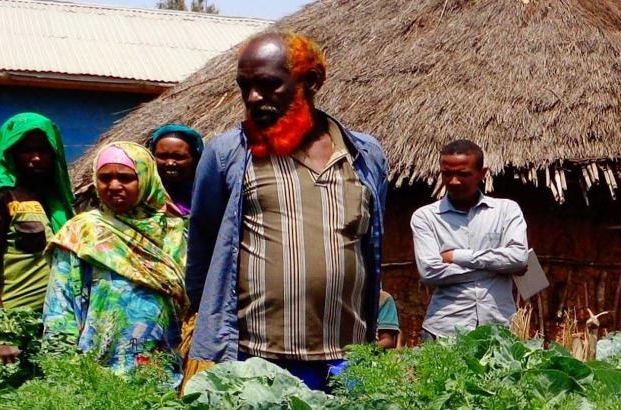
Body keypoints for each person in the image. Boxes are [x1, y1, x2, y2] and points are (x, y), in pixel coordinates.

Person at [184, 31, 388, 390]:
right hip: (255, 359)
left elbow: (370, 248)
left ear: (310, 81)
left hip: (345, 358)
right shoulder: (228, 154)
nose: (252, 98)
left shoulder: (364, 155)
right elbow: (203, 246)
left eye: (267, 85)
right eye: (244, 86)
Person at [42, 142, 188, 381]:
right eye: (105, 177)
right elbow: (60, 303)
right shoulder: (84, 231)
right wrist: (60, 368)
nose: (113, 186)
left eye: (125, 177)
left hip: (160, 368)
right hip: (94, 368)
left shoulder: (173, 232)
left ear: (145, 179)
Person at [410, 139, 528, 340]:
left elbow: (518, 259)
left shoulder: (507, 210)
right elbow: (429, 272)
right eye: (447, 174)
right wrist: (497, 266)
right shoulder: (425, 217)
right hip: (444, 329)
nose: (454, 181)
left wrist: (457, 256)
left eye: (463, 174)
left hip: (499, 328)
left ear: (482, 174)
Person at [0, 113, 74, 363]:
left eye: (44, 150)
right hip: (12, 329)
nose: (36, 158)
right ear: (9, 152)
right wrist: (2, 333)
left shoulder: (59, 201)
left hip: (53, 326)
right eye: (26, 150)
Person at [149, 124, 204, 216]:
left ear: (195, 159)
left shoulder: (208, 196)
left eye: (178, 157)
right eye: (163, 156)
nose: (170, 163)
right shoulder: (144, 198)